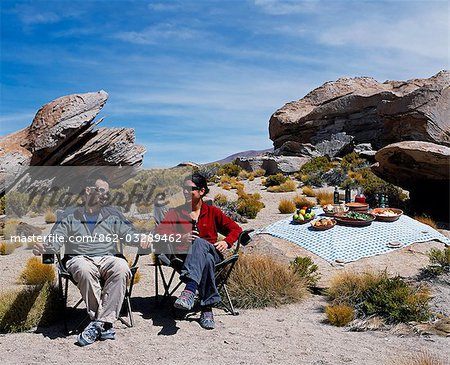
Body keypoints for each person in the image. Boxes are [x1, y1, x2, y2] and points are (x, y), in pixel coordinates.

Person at [33, 173, 145, 346]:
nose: (104, 195)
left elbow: (129, 235)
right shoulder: (70, 216)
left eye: (106, 192)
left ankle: (98, 323)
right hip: (79, 258)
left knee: (122, 267)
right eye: (101, 190)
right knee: (84, 269)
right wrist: (45, 247)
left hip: (108, 258)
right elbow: (56, 239)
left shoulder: (113, 214)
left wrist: (141, 239)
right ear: (88, 191)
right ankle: (105, 323)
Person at [155, 172, 242, 329]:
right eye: (184, 189)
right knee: (206, 261)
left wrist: (227, 242)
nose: (186, 192)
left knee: (200, 243)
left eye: (191, 189)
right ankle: (206, 309)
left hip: (212, 252)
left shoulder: (212, 212)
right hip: (183, 258)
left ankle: (189, 290)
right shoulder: (175, 213)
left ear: (202, 191)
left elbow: (235, 229)